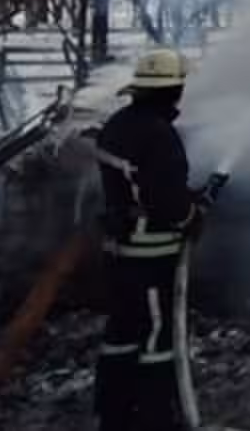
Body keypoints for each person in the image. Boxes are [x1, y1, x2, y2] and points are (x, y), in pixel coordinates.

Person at [94, 47, 204, 429]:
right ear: (173, 90)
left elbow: (137, 184)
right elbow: (165, 201)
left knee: (122, 331)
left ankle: (115, 413)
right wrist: (191, 215)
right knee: (158, 334)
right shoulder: (159, 135)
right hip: (150, 255)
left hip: (118, 249)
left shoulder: (117, 125)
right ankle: (156, 416)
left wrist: (185, 199)